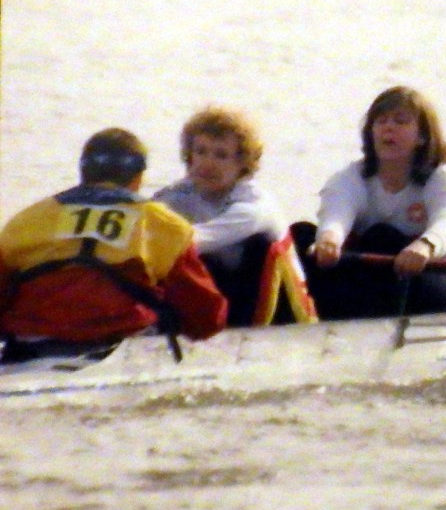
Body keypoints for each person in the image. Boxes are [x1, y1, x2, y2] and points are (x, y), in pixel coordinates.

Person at [0, 128, 226, 363]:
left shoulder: (25, 220)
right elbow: (207, 318)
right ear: (138, 177)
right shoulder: (164, 225)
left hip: (26, 347)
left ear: (83, 172)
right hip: (117, 347)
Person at [295, 86, 446, 319]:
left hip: (436, 288)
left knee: (385, 238)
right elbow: (338, 208)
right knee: (301, 235)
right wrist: (329, 239)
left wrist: (425, 245)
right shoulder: (352, 176)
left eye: (400, 121)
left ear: (422, 136)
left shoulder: (444, 180)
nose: (388, 127)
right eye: (381, 121)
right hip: (372, 288)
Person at [153, 107, 317, 327]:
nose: (207, 163)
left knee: (251, 247)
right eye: (201, 151)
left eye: (221, 155)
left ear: (243, 164)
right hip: (225, 293)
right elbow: (143, 224)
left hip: (282, 314)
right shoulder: (175, 196)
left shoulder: (254, 205)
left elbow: (197, 240)